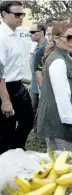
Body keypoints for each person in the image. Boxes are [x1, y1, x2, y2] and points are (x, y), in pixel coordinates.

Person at [37, 21, 72, 153]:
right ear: (56, 39)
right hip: (61, 128)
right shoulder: (58, 61)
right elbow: (62, 99)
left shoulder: (63, 57)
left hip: (57, 125)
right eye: (68, 37)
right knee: (67, 166)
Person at [0, 1, 34, 154]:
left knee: (28, 121)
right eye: (17, 14)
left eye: (22, 14)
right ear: (4, 14)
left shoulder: (15, 35)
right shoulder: (2, 37)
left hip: (18, 86)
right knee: (6, 129)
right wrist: (5, 100)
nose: (21, 17)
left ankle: (16, 149)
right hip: (4, 88)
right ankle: (8, 157)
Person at [29, 22, 47, 127]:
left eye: (32, 32)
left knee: (42, 111)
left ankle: (41, 136)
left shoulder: (46, 48)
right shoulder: (36, 47)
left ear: (41, 33)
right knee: (32, 109)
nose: (30, 34)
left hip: (42, 86)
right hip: (34, 85)